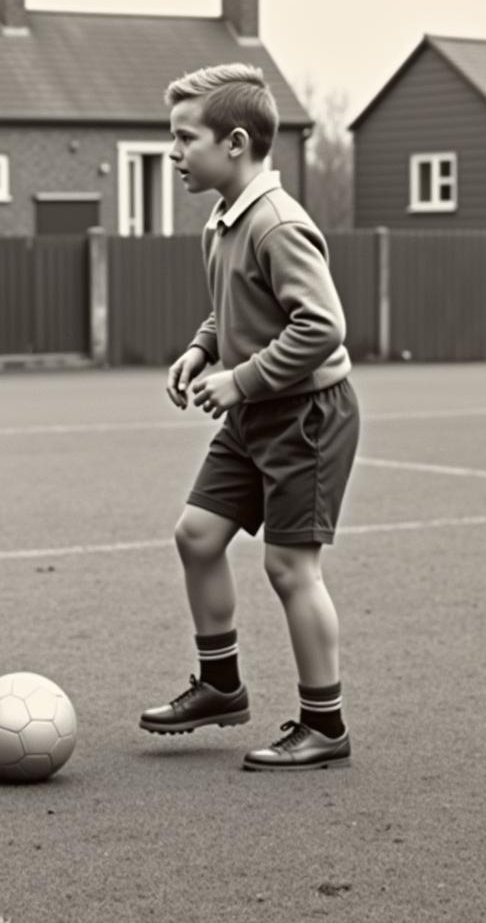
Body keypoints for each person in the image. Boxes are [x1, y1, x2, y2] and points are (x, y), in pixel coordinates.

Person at [139, 63, 360, 771]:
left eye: (183, 139)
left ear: (234, 143)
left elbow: (321, 327)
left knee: (291, 568)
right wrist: (203, 349)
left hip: (306, 415)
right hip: (255, 410)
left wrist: (241, 379)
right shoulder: (224, 218)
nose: (174, 153)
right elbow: (237, 305)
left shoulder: (277, 222)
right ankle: (221, 685)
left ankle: (325, 724)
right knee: (197, 535)